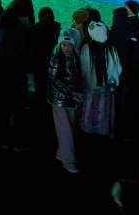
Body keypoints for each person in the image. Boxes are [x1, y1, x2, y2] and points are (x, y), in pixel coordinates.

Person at [48, 28, 82, 174]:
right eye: (64, 45)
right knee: (66, 131)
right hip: (60, 101)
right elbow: (53, 79)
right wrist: (70, 92)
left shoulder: (75, 58)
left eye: (69, 45)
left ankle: (62, 154)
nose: (66, 48)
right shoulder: (56, 59)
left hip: (71, 100)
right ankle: (69, 162)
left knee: (70, 130)